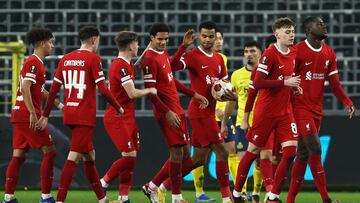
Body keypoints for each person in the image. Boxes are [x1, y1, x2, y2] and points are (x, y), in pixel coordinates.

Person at [37, 26, 123, 203]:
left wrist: (46, 114)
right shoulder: (93, 59)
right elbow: (104, 90)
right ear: (94, 40)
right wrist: (118, 107)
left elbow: (53, 90)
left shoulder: (66, 59)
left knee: (89, 156)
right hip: (84, 115)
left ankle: (103, 199)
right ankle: (60, 200)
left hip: (69, 112)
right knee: (74, 155)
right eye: (98, 41)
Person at [286, 16, 356, 203]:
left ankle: (289, 200)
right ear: (308, 30)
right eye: (319, 24)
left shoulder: (329, 53)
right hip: (299, 107)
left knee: (303, 153)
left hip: (317, 109)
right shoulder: (297, 51)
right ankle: (326, 199)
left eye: (324, 23)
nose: (324, 25)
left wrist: (347, 101)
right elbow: (287, 79)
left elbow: (334, 83)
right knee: (315, 148)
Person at [231, 17, 301, 203]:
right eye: (287, 32)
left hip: (285, 112)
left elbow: (288, 78)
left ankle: (273, 196)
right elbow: (259, 83)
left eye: (293, 31)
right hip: (266, 113)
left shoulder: (293, 53)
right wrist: (285, 82)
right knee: (253, 152)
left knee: (291, 151)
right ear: (277, 34)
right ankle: (237, 192)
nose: (291, 34)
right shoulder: (270, 54)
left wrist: (293, 87)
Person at [169, 21, 237, 203]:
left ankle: (158, 185)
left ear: (216, 37)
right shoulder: (192, 55)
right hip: (199, 112)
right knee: (222, 152)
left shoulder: (219, 59)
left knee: (197, 159)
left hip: (210, 112)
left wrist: (229, 93)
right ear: (199, 36)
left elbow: (224, 86)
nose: (207, 40)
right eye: (204, 36)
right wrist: (183, 46)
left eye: (211, 36)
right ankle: (226, 198)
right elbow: (170, 67)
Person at [140, 23, 208, 203]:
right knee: (177, 154)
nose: (163, 42)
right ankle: (176, 197)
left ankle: (152, 186)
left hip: (177, 109)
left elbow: (171, 81)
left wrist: (194, 94)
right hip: (166, 112)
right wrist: (168, 112)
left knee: (186, 156)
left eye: (166, 39)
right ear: (151, 38)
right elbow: (151, 93)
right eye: (160, 39)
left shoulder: (163, 54)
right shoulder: (149, 59)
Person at [98, 31, 157, 203]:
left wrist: (149, 46)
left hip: (128, 117)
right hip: (117, 117)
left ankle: (123, 197)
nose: (138, 46)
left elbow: (136, 66)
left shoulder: (126, 64)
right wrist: (149, 90)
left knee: (131, 159)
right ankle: (103, 182)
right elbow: (131, 93)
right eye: (137, 44)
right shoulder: (120, 66)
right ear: (131, 46)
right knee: (129, 157)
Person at [3, 27, 58, 203]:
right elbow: (26, 86)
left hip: (19, 114)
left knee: (18, 155)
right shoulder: (34, 63)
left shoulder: (34, 62)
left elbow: (38, 89)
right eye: (50, 42)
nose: (52, 46)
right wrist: (33, 114)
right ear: (42, 43)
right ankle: (46, 197)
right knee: (50, 152)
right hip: (27, 115)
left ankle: (9, 197)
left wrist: (59, 104)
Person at [221, 41, 264, 203]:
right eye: (246, 51)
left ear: (260, 53)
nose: (248, 54)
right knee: (242, 159)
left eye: (252, 51)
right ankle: (242, 193)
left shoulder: (266, 73)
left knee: (261, 160)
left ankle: (256, 192)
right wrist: (225, 122)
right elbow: (231, 102)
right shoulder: (237, 75)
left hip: (262, 123)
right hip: (242, 124)